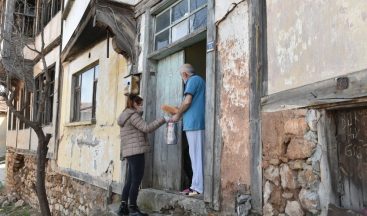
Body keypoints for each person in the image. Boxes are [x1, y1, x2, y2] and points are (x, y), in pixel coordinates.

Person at [117, 94, 168, 216]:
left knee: (129, 180)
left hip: (130, 152)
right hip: (136, 151)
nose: (141, 106)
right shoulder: (133, 115)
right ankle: (133, 208)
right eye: (140, 104)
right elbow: (147, 128)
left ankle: (123, 207)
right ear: (134, 104)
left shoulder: (125, 115)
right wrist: (163, 119)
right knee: (136, 180)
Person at [171, 64, 205, 196]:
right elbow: (187, 102)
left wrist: (178, 114)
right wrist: (179, 110)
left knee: (196, 156)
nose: (182, 78)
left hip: (195, 124)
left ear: (185, 74)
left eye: (181, 76)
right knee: (196, 155)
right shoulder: (198, 81)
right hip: (195, 123)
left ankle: (198, 188)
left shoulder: (192, 80)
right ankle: (196, 186)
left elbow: (187, 101)